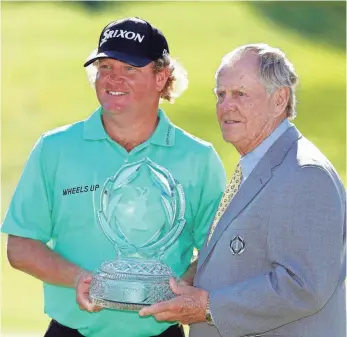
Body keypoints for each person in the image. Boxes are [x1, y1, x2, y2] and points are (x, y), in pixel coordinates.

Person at [1, 17, 226, 337]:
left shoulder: (198, 158)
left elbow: (217, 253)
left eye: (130, 69)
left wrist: (181, 286)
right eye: (105, 67)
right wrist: (77, 278)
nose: (113, 78)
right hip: (70, 331)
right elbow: (21, 246)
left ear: (161, 77)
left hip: (161, 333)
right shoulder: (55, 148)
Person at [139, 43, 346, 337]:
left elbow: (305, 286)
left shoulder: (305, 173)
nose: (226, 106)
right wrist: (185, 283)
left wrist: (208, 307)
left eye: (240, 94)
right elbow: (243, 255)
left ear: (280, 100)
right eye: (220, 95)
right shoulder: (257, 164)